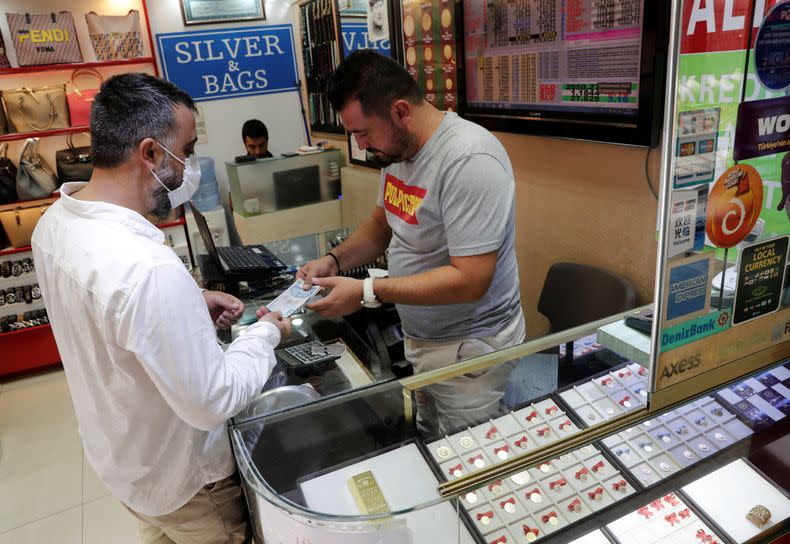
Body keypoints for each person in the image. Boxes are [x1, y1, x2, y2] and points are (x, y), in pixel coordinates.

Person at [31, 73, 291, 544]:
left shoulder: (54, 225)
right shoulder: (146, 269)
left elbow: (108, 323)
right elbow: (213, 401)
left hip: (125, 463)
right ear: (150, 153)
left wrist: (187, 305)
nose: (190, 167)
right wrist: (266, 332)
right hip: (187, 483)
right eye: (186, 151)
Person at [297, 51, 525, 435]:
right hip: (421, 339)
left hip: (470, 349)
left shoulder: (468, 158)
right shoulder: (398, 151)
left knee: (468, 463)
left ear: (400, 111)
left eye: (364, 132)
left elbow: (471, 280)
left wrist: (369, 291)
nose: (362, 145)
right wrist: (333, 261)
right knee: (432, 441)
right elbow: (380, 225)